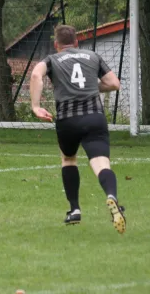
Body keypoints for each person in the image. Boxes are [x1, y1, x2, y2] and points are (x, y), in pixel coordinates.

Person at [29, 24, 126, 234]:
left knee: (69, 159)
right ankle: (112, 196)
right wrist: (92, 85)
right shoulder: (92, 56)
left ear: (56, 44)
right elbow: (114, 84)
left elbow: (36, 75)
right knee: (101, 164)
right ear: (77, 42)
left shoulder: (52, 59)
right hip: (94, 118)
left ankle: (74, 210)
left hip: (67, 120)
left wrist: (36, 107)